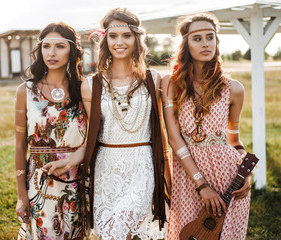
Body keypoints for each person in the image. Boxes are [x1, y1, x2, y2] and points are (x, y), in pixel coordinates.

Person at [161, 13, 253, 240]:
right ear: (185, 44)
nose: (206, 44)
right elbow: (174, 138)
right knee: (189, 234)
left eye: (210, 37)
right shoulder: (172, 84)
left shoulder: (234, 88)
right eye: (198, 38)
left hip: (229, 176)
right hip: (189, 176)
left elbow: (234, 139)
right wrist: (201, 185)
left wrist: (246, 173)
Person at [81, 7, 169, 240]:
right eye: (113, 36)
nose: (119, 42)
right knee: (110, 234)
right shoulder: (91, 85)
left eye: (126, 35)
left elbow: (163, 130)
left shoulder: (154, 79)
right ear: (105, 40)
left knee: (119, 233)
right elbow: (90, 135)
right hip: (106, 169)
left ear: (137, 39)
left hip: (141, 165)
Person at [14, 22, 88, 240]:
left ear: (72, 50)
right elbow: (19, 146)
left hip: (76, 178)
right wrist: (21, 196)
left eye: (60, 46)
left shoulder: (85, 88)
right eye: (46, 46)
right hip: (40, 180)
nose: (52, 53)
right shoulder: (26, 91)